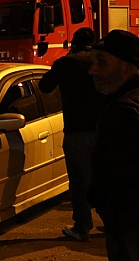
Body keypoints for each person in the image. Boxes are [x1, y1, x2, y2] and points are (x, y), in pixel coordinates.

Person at [39, 28, 106, 242]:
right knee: (108, 177)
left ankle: (82, 227)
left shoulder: (66, 63)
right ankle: (114, 223)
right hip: (104, 128)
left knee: (79, 181)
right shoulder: (103, 62)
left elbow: (45, 86)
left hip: (77, 131)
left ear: (74, 43)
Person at [86, 29, 139, 260]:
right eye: (92, 62)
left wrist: (103, 204)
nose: (92, 70)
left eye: (101, 62)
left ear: (128, 67)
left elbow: (124, 182)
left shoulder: (122, 112)